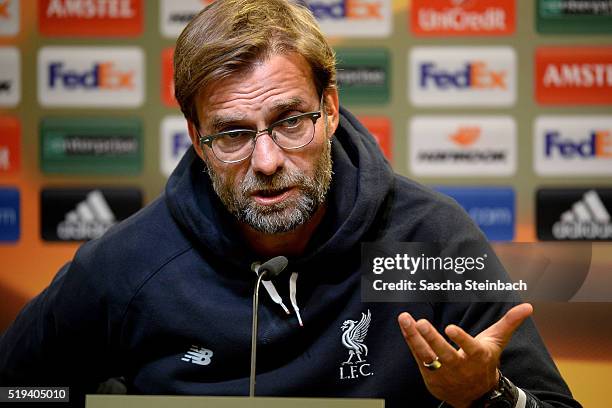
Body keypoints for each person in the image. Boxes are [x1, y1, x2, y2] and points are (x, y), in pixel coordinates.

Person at [0, 1, 581, 407]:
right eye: (231, 134)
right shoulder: (128, 264)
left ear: (329, 108)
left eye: (289, 122)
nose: (267, 160)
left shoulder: (427, 240)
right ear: (197, 138)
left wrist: (489, 396)